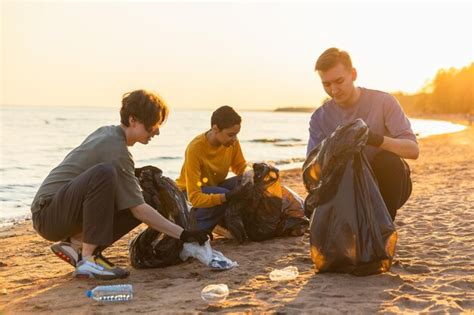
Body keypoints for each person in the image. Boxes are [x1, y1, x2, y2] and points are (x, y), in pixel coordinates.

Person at [31, 90, 211, 280]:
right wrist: (184, 234)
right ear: (133, 120)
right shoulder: (116, 149)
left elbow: (121, 193)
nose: (156, 130)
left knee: (144, 196)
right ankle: (87, 260)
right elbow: (139, 210)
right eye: (152, 124)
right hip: (48, 214)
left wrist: (132, 174)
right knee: (108, 176)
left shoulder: (108, 134)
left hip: (65, 208)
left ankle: (76, 244)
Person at [307, 48, 419, 220]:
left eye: (339, 81)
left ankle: (383, 228)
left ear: (353, 74)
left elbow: (413, 150)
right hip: (346, 188)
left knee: (389, 163)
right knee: (310, 208)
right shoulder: (319, 118)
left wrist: (373, 138)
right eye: (327, 84)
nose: (334, 90)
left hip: (386, 185)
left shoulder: (383, 102)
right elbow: (312, 171)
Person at [175, 106, 252, 233]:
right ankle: (195, 228)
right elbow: (194, 197)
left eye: (236, 134)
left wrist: (250, 173)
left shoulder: (232, 142)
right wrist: (226, 196)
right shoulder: (195, 149)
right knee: (223, 194)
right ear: (215, 129)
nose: (234, 139)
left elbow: (239, 166)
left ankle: (221, 221)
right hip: (188, 194)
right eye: (231, 135)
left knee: (248, 184)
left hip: (214, 186)